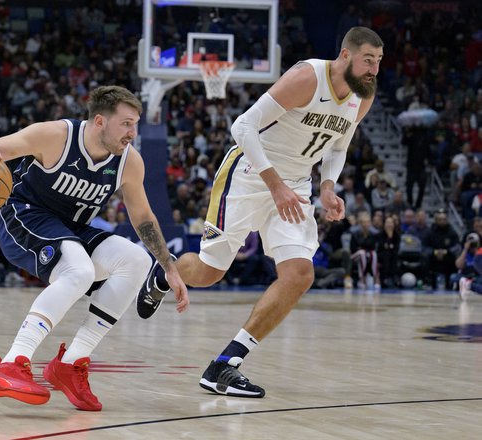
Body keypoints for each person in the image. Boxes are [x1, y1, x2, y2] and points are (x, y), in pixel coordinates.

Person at [137, 27, 383, 397]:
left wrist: (328, 187)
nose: (374, 69)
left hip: (296, 184)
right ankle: (163, 271)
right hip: (251, 173)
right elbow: (243, 126)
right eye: (368, 60)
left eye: (379, 62)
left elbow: (337, 147)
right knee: (208, 272)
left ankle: (226, 364)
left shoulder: (363, 95)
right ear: (346, 55)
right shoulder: (307, 77)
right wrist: (274, 183)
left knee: (300, 273)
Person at [0, 86, 187, 411]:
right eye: (126, 124)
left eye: (135, 124)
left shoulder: (129, 162)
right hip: (23, 217)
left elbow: (143, 218)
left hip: (70, 229)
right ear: (99, 122)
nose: (133, 132)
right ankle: (12, 362)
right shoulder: (54, 136)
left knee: (135, 260)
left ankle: (71, 363)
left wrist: (168, 267)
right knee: (79, 269)